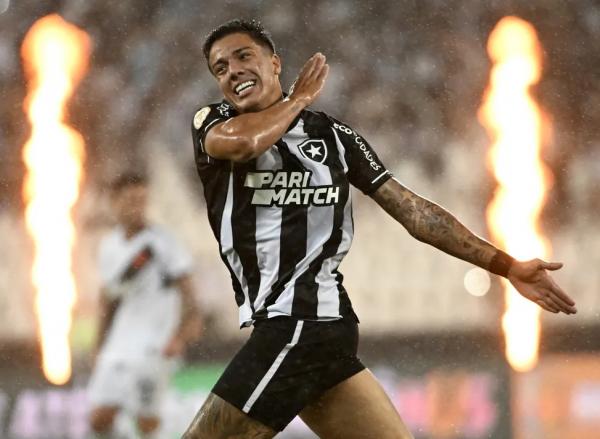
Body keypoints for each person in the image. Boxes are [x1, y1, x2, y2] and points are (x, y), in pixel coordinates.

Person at [183, 19, 577, 439]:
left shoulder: (334, 137)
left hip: (304, 324)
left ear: (274, 63)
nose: (233, 71)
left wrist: (505, 264)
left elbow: (413, 212)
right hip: (302, 331)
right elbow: (247, 144)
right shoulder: (213, 121)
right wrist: (298, 99)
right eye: (220, 68)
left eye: (244, 56)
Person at [87, 173, 202, 439]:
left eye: (142, 200)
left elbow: (189, 292)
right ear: (113, 202)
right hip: (119, 344)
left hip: (154, 345)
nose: (137, 207)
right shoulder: (108, 246)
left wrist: (182, 333)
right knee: (99, 419)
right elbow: (108, 299)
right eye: (130, 200)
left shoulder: (164, 243)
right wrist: (98, 344)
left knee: (146, 421)